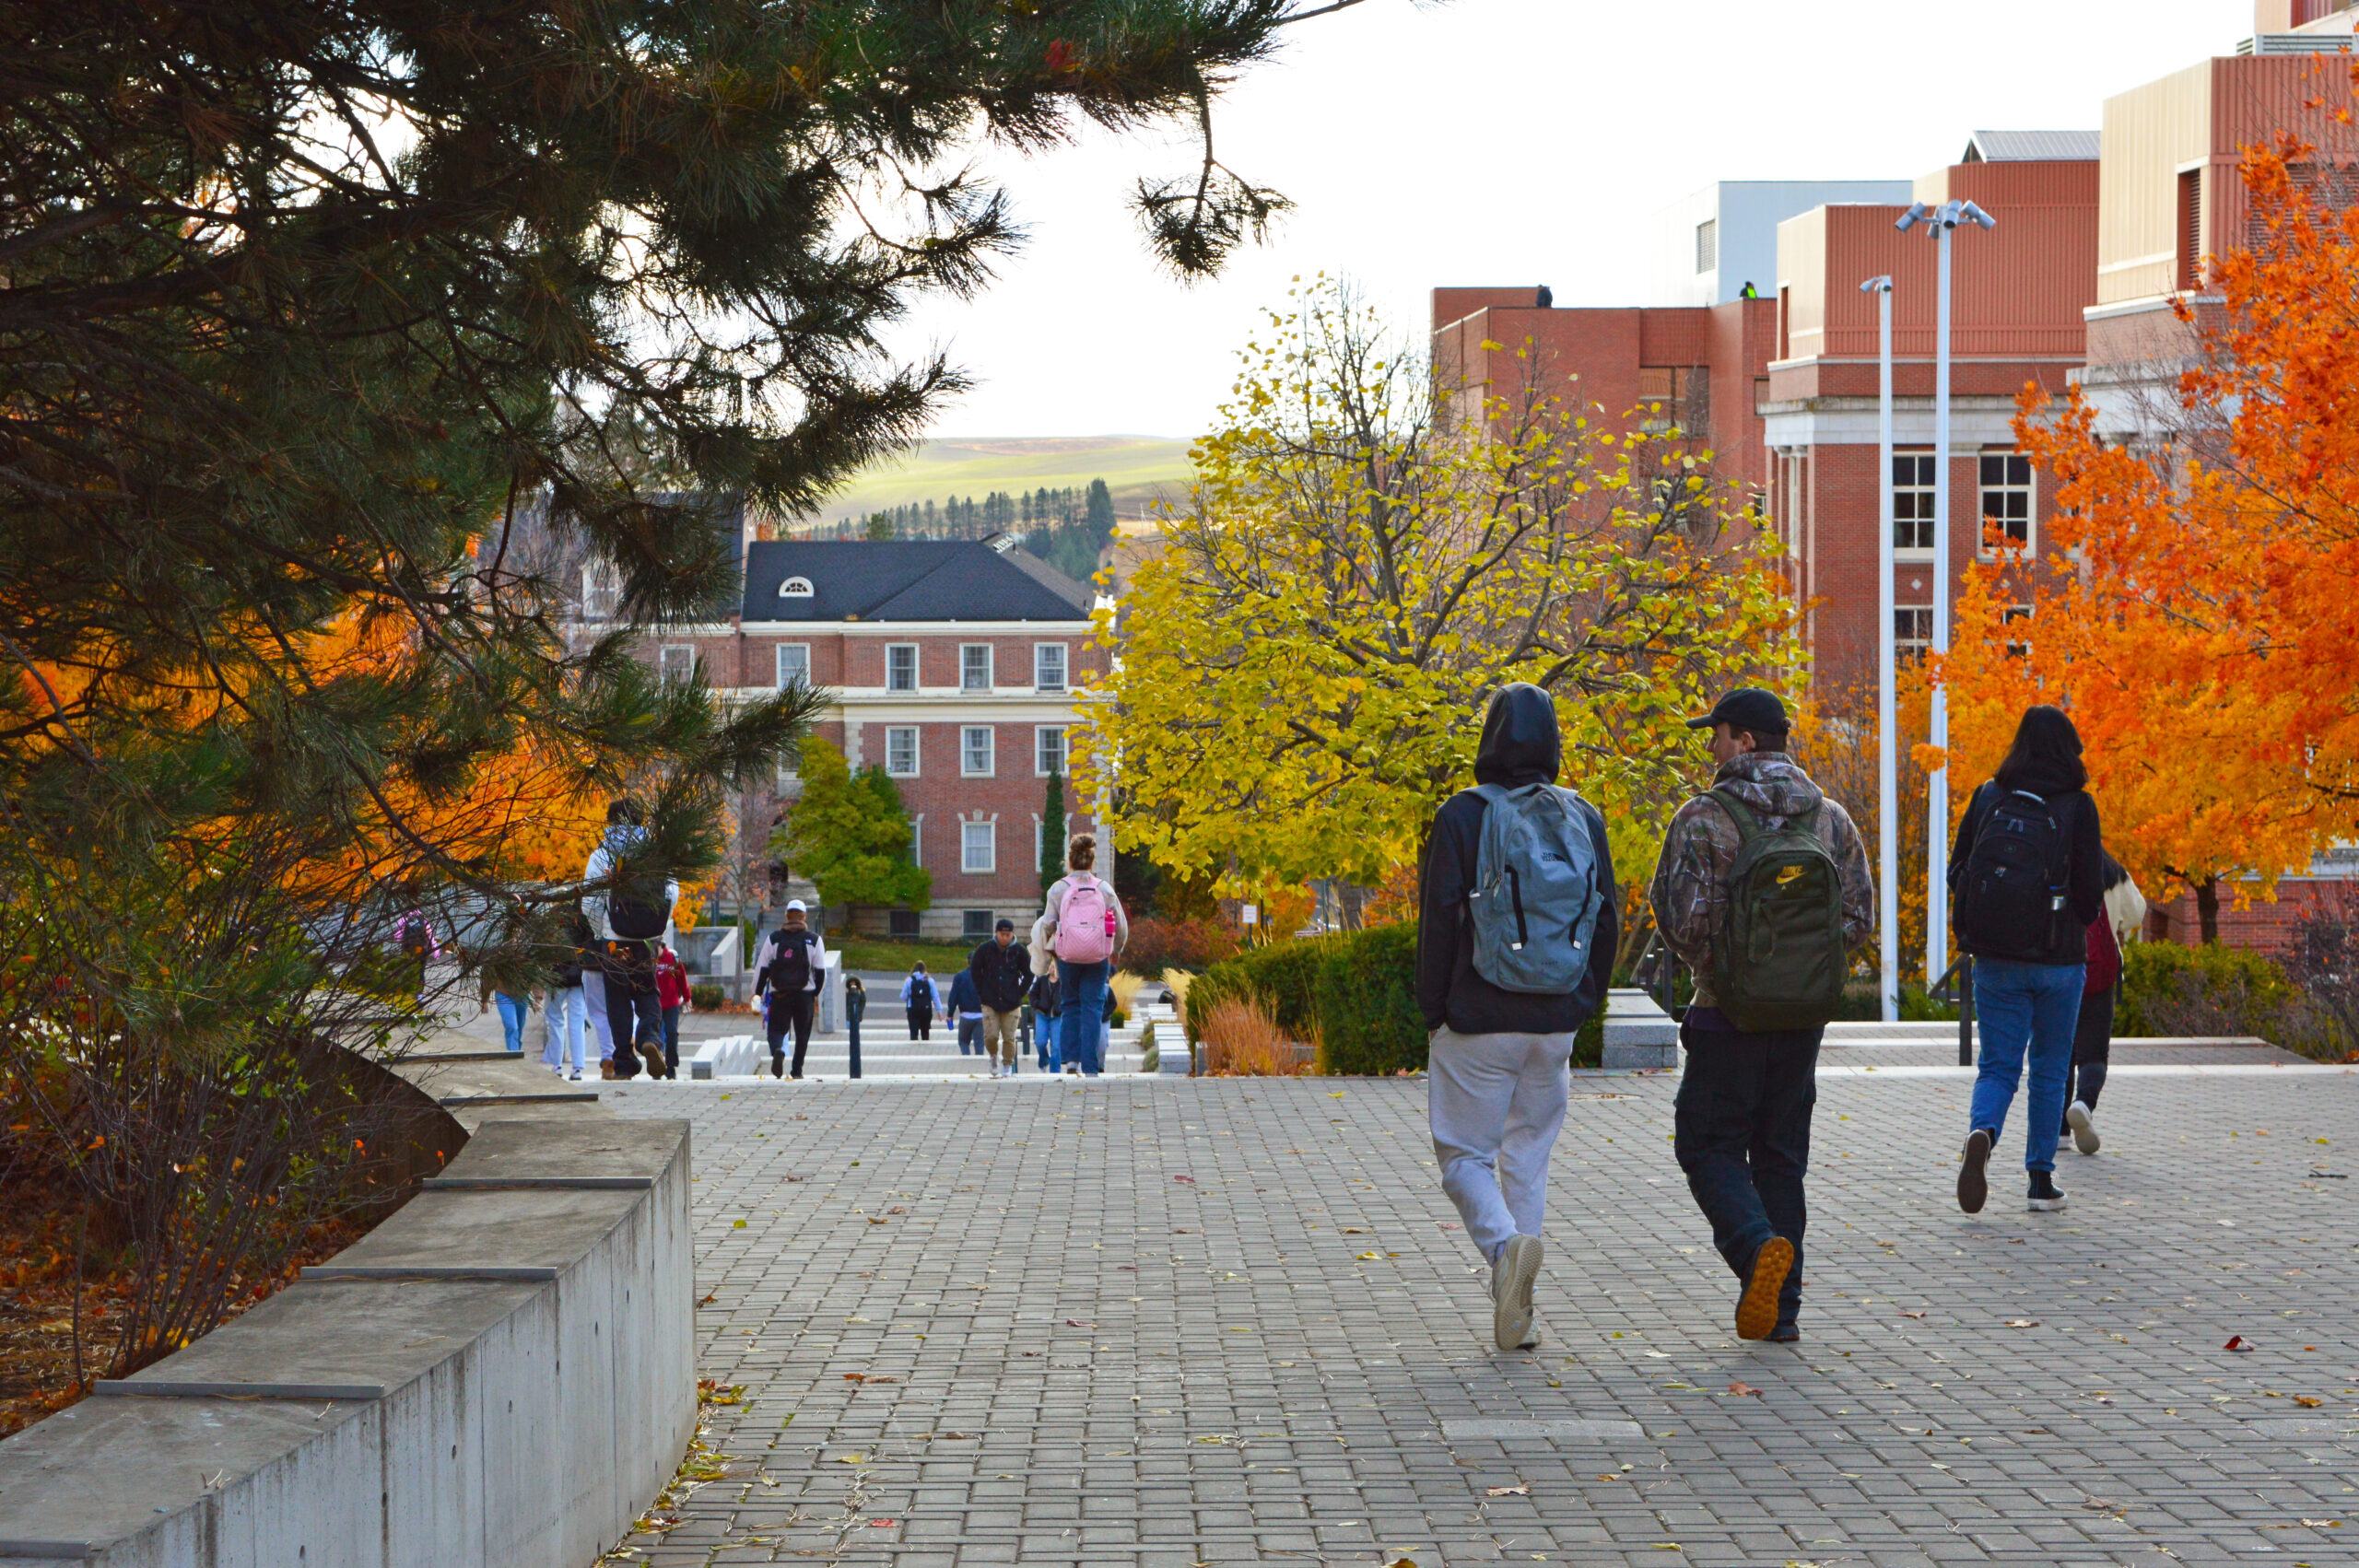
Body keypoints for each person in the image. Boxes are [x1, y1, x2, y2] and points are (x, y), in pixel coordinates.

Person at [1649, 688, 1873, 1344]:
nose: (1710, 746)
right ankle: (1785, 1310)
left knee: (1706, 1143)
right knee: (1780, 1158)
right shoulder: (1830, 819)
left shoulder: (1702, 817)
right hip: (1803, 1021)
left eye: (1716, 734)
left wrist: (1724, 970)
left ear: (1745, 741)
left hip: (1727, 1017)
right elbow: (1857, 920)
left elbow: (1681, 920)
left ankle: (1754, 1251)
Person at [1417, 683, 1617, 1352]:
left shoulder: (1464, 815)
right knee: (1527, 1157)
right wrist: (1584, 1001)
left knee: (1464, 1157)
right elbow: (1607, 918)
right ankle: (1518, 1316)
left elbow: (1441, 918)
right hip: (1555, 1018)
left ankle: (1506, 1253)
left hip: (1479, 1017)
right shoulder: (1583, 818)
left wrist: (1433, 1011)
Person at [1949, 705, 2107, 1215]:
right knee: (2050, 1067)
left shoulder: (1988, 796)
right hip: (2060, 960)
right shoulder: (2078, 807)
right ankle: (2041, 1182)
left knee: (1997, 1066)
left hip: (1995, 957)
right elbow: (2089, 893)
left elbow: (1958, 871)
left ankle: (1983, 1132)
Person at [584, 799, 676, 1081]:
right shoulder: (655, 852)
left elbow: (589, 901)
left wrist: (602, 931)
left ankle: (624, 1062)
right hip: (647, 939)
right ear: (641, 819)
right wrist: (658, 931)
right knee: (649, 992)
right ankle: (650, 1038)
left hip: (614, 940)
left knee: (618, 1001)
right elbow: (672, 893)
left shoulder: (603, 854)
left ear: (611, 821)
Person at [2061, 854, 2145, 1155]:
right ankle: (2084, 1103)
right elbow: (2137, 913)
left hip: (2058, 972)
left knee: (2060, 1054)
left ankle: (2059, 1132)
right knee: (2094, 1053)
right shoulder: (2109, 869)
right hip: (2097, 975)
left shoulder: (2049, 857)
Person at [1041, 836, 1128, 1076]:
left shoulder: (1058, 888)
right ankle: (1091, 1067)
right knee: (1093, 1008)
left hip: (1068, 956)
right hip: (1097, 955)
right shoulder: (1104, 889)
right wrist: (1116, 949)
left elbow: (1048, 923)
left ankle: (1071, 1061)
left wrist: (1053, 948)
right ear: (1092, 862)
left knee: (1070, 1004)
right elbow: (1121, 925)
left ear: (1069, 861)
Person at [752, 900, 826, 1079]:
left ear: (786, 915)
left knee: (776, 1030)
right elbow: (821, 971)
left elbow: (762, 968)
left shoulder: (774, 939)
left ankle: (778, 1050)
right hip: (804, 994)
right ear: (804, 916)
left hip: (780, 993)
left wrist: (757, 992)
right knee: (803, 1034)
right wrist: (814, 993)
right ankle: (797, 1071)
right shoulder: (814, 940)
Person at [969, 919, 1030, 1078]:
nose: (1005, 937)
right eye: (1002, 934)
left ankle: (1007, 1064)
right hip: (990, 1000)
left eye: (1008, 934)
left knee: (1009, 1037)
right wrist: (981, 991)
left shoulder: (1020, 951)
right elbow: (975, 970)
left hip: (1012, 1002)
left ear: (1012, 934)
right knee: (991, 1036)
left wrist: (1020, 992)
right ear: (996, 933)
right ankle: (993, 1055)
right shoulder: (985, 949)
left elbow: (1029, 973)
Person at [542, 903, 593, 1081]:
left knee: (555, 1020)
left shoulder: (550, 922)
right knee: (577, 1022)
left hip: (556, 978)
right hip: (578, 978)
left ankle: (556, 1065)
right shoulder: (581, 921)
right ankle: (577, 1067)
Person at [654, 941, 689, 1078]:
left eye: (656, 949)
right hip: (654, 1004)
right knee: (655, 1037)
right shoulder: (649, 959)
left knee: (672, 1033)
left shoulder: (672, 958)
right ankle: (656, 1067)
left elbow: (682, 978)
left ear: (661, 946)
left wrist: (687, 998)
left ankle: (671, 1067)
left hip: (672, 1003)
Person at [948, 965, 984, 1057]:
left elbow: (953, 997)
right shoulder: (985, 975)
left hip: (965, 1015)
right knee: (979, 1043)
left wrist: (950, 1014)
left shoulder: (960, 976)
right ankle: (978, 1063)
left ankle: (966, 1058)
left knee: (963, 1041)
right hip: (981, 1015)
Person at [901, 963, 940, 1041]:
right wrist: (939, 1011)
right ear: (924, 969)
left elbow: (903, 996)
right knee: (925, 1033)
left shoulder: (909, 981)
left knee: (913, 1033)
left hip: (913, 1009)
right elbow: (935, 996)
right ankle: (925, 1050)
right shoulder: (930, 981)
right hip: (926, 1010)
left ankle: (914, 1050)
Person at [845, 975, 867, 1079]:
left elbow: (863, 1001)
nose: (852, 985)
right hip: (850, 1016)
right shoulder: (847, 993)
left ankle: (855, 1073)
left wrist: (859, 1011)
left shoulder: (859, 992)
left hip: (855, 1015)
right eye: (851, 984)